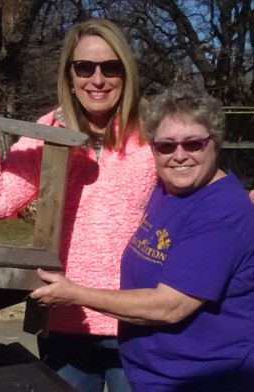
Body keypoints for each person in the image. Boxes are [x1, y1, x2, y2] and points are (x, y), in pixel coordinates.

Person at [0, 18, 158, 392]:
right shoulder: (48, 129)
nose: (97, 80)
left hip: (137, 321)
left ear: (126, 73)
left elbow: (196, 195)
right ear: (69, 74)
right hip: (64, 320)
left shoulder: (153, 131)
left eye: (110, 68)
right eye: (85, 67)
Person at [30, 83, 254, 392]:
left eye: (193, 144)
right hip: (150, 372)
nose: (179, 156)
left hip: (199, 379)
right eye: (166, 146)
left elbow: (170, 306)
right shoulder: (167, 191)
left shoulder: (220, 212)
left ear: (215, 143)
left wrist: (76, 294)